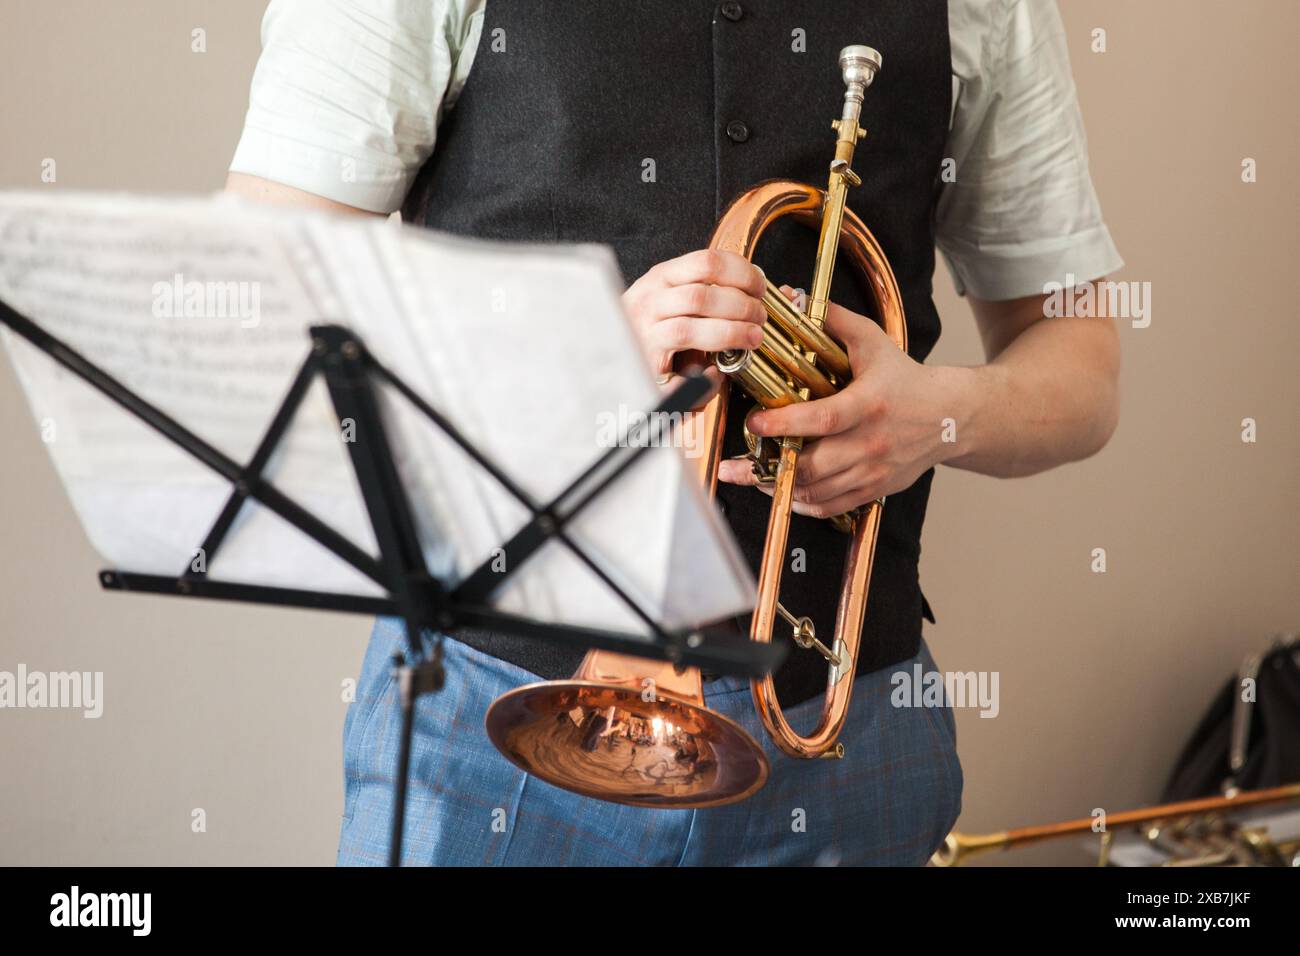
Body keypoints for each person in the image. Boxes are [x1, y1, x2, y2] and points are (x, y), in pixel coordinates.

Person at [226, 0, 1122, 866]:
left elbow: (1083, 370)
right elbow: (269, 311)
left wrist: (942, 413)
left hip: (853, 734)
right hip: (490, 718)